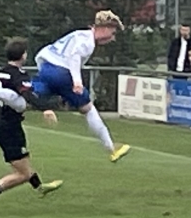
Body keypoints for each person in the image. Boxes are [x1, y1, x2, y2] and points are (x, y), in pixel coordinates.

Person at [0, 39, 64, 214]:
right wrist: (45, 108)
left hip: (4, 122)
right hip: (9, 126)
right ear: (23, 55)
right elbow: (26, 94)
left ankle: (40, 187)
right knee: (22, 174)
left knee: (24, 162)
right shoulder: (19, 75)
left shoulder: (1, 73)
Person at [31, 11, 132, 162]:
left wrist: (44, 71)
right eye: (112, 33)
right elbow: (74, 58)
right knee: (88, 108)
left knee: (28, 94)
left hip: (46, 69)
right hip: (62, 72)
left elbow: (46, 52)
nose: (113, 38)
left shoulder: (79, 34)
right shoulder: (88, 42)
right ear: (104, 28)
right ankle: (111, 148)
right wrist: (77, 81)